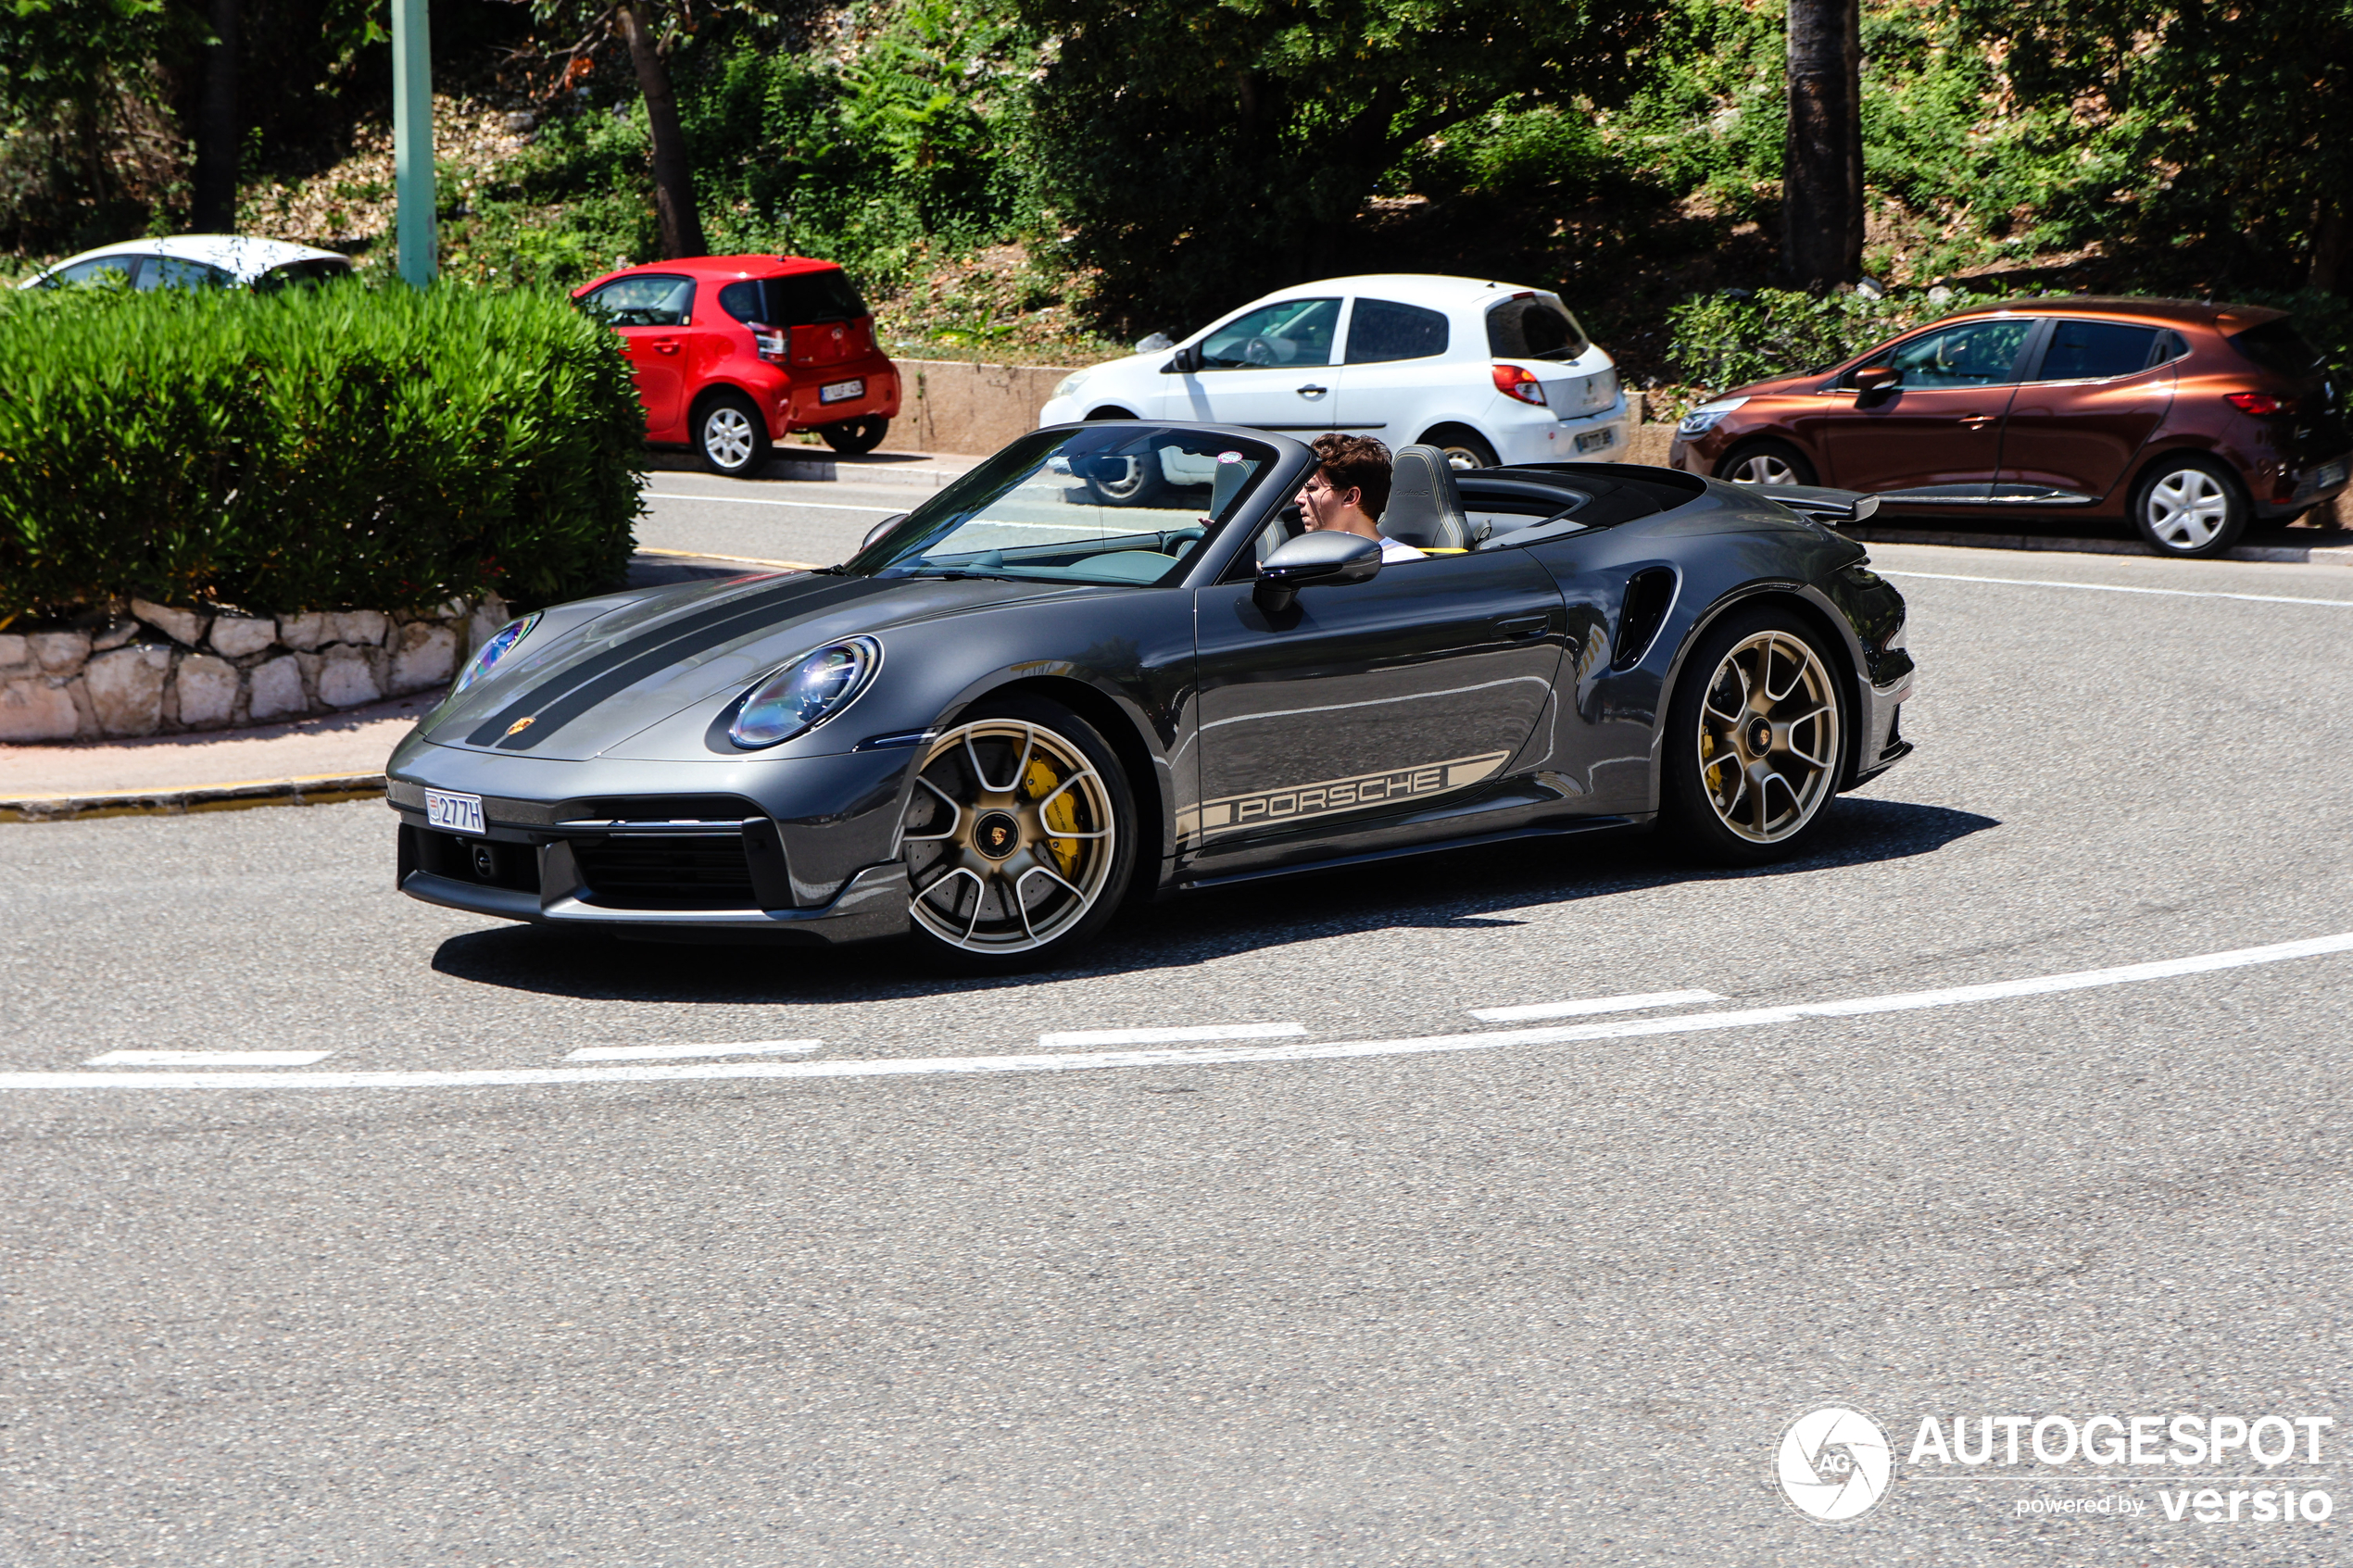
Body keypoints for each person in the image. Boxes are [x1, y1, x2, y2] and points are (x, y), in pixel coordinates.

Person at [1296, 433, 1423, 562]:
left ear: (1350, 497)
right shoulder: (1308, 557)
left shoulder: (1400, 562)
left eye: (1311, 488)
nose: (1298, 499)